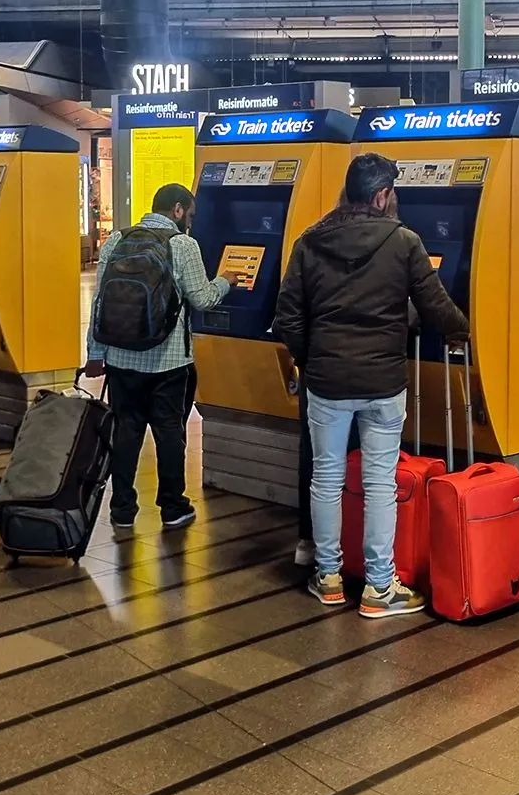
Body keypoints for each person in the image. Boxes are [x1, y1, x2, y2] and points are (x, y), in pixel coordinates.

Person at [274, 153, 468, 619]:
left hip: (327, 382)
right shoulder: (404, 242)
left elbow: (287, 317)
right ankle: (379, 587)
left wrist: (311, 359)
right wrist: (461, 330)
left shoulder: (309, 242)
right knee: (380, 482)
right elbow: (436, 304)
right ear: (381, 196)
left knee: (326, 477)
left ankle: (328, 577)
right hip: (383, 382)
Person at [84, 183, 229, 531]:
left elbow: (100, 303)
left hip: (121, 359)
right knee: (169, 433)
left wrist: (95, 353)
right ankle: (172, 507)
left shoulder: (116, 240)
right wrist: (226, 281)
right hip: (168, 362)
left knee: (126, 432)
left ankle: (121, 509)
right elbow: (203, 298)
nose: (190, 222)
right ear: (177, 210)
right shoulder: (183, 245)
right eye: (189, 215)